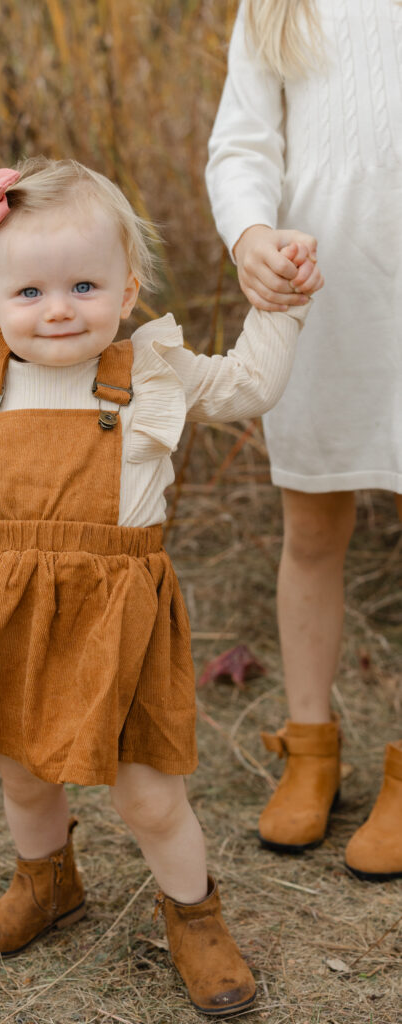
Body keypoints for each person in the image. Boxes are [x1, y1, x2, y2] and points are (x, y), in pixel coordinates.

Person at [0, 157, 315, 1014]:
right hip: (7, 610)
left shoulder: (151, 372)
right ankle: (46, 881)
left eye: (84, 285)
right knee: (22, 770)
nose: (57, 309)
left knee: (146, 792)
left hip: (115, 616)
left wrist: (281, 303)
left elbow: (251, 384)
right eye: (30, 293)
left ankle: (194, 916)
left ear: (128, 291)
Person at [206, 0, 402, 881]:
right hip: (320, 291)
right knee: (313, 527)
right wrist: (250, 235)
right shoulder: (276, 7)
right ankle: (309, 745)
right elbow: (242, 144)